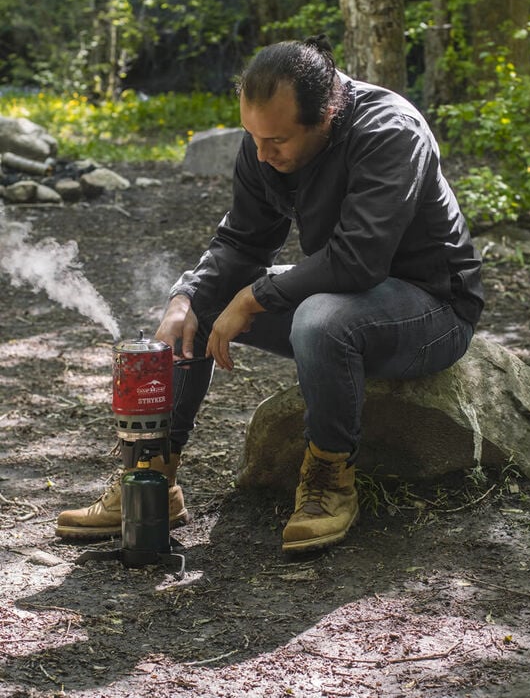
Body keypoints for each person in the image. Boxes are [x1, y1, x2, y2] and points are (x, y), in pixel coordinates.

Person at [56, 35, 483, 552]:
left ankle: (330, 480)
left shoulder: (390, 130)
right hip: (353, 298)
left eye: (276, 141)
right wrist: (186, 298)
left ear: (326, 116)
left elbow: (358, 260)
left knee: (322, 319)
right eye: (252, 137)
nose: (261, 153)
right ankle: (150, 480)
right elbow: (241, 239)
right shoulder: (266, 139)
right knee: (201, 303)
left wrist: (254, 297)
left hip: (432, 309)